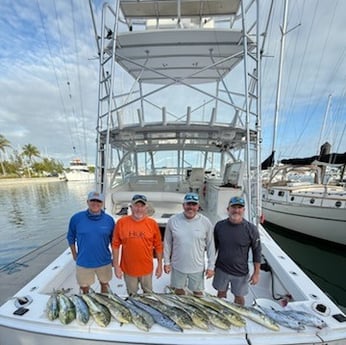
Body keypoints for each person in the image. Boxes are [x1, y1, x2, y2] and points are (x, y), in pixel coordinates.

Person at [163, 192, 215, 296]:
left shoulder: (206, 222)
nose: (191, 207)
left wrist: (211, 266)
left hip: (197, 267)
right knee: (178, 291)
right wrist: (167, 263)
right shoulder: (173, 220)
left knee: (198, 292)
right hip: (178, 266)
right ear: (183, 205)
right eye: (188, 204)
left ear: (198, 206)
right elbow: (167, 243)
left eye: (194, 204)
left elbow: (210, 245)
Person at [212, 196, 261, 305]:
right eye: (233, 207)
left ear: (243, 210)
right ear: (228, 209)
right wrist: (211, 266)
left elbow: (257, 251)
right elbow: (214, 248)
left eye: (240, 207)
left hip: (240, 272)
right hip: (221, 269)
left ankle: (239, 314)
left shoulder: (251, 229)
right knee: (221, 293)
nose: (236, 210)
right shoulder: (219, 226)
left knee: (239, 297)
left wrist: (256, 273)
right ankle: (221, 312)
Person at [112, 194, 163, 295]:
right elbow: (115, 245)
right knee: (132, 294)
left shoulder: (152, 223)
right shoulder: (121, 223)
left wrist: (160, 265)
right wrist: (116, 266)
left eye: (142, 206)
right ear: (131, 207)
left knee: (148, 293)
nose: (139, 209)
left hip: (147, 269)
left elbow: (158, 246)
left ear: (146, 208)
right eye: (136, 206)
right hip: (128, 269)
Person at [67, 191, 115, 294]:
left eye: (98, 201)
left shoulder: (109, 220)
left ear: (102, 203)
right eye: (92, 200)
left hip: (104, 261)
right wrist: (74, 254)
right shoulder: (76, 218)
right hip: (84, 261)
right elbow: (70, 237)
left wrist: (115, 259)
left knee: (105, 284)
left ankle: (104, 303)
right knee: (84, 287)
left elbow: (114, 242)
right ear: (87, 202)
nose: (95, 203)